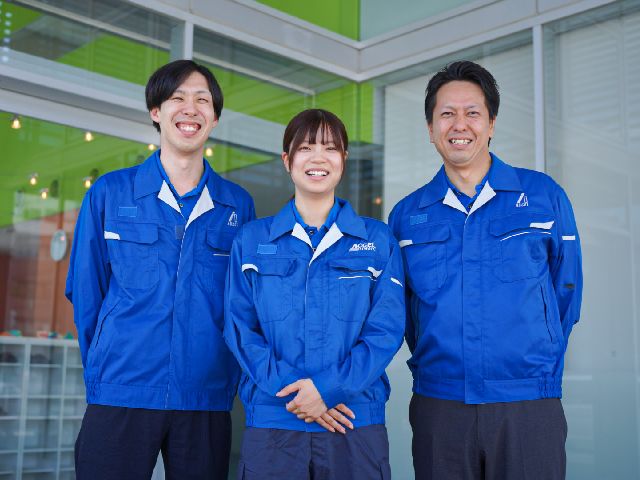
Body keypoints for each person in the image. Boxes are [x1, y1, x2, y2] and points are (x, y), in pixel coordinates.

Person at [388, 61, 583, 479]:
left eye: (472, 113)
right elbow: (402, 310)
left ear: (491, 123)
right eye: (447, 114)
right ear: (430, 128)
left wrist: (537, 353)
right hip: (441, 403)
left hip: (527, 400)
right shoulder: (406, 216)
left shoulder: (543, 196)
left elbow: (566, 290)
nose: (459, 125)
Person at [65, 59, 255, 480]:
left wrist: (228, 378)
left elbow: (241, 304)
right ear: (156, 111)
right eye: (177, 98)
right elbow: (86, 291)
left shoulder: (237, 205)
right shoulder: (110, 193)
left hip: (205, 395)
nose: (191, 109)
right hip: (122, 388)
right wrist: (104, 370)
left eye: (202, 100)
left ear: (215, 118)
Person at [224, 109, 405, 479]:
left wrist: (328, 389)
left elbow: (386, 330)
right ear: (287, 160)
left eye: (330, 148)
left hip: (352, 419)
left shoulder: (377, 240)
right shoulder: (252, 241)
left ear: (344, 160)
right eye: (306, 148)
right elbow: (239, 328)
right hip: (275, 421)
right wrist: (301, 395)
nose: (318, 158)